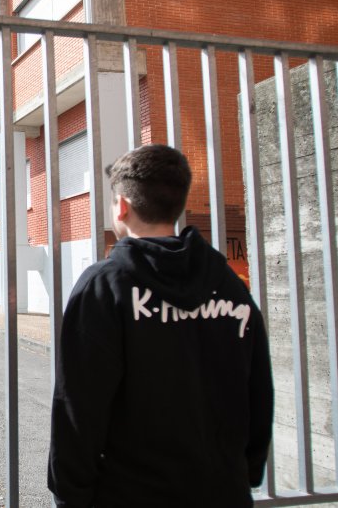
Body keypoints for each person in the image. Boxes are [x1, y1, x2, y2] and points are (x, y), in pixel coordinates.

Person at [47, 144, 273, 508]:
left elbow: (78, 405)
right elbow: (258, 387)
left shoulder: (105, 288)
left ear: (121, 205)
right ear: (178, 202)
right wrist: (244, 471)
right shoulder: (230, 285)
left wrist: (71, 496)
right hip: (223, 491)